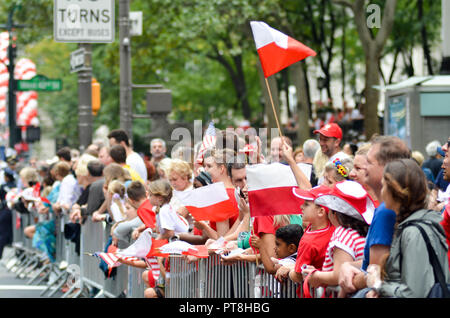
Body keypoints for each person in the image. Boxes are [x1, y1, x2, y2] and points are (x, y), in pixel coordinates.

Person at [363, 159, 449, 298]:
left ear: (395, 192)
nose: (382, 191)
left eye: (384, 186)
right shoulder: (424, 221)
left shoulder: (413, 232)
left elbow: (414, 292)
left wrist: (378, 285)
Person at [338, 135, 411, 297]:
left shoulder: (386, 210)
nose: (352, 173)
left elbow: (376, 274)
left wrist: (349, 281)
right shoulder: (389, 206)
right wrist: (347, 266)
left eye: (369, 163)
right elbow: (371, 264)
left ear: (387, 168)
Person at [301, 180, 375, 295]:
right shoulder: (366, 231)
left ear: (335, 213)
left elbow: (338, 274)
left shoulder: (343, 233)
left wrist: (316, 275)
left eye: (330, 210)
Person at [282, 185, 336, 285]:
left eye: (306, 204)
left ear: (321, 212)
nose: (301, 206)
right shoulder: (335, 227)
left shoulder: (309, 241)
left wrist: (289, 270)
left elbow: (298, 275)